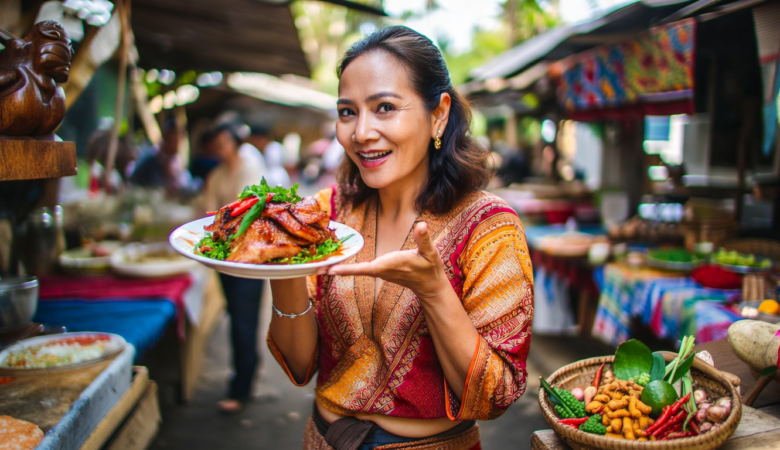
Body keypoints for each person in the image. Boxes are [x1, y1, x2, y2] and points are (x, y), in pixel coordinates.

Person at [267, 26, 534, 450]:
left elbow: (494, 396)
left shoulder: (488, 226)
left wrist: (433, 289)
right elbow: (299, 366)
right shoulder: (326, 215)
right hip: (322, 439)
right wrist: (281, 262)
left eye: (385, 107)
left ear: (439, 113)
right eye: (347, 111)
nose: (361, 132)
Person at [201, 123, 266, 413]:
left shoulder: (250, 166)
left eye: (224, 141)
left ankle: (241, 388)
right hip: (227, 258)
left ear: (235, 142)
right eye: (217, 143)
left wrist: (221, 221)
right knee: (239, 319)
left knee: (243, 321)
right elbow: (210, 210)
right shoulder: (217, 175)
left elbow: (246, 211)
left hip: (249, 258)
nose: (221, 147)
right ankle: (248, 369)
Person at [130, 118, 192, 194]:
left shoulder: (178, 162)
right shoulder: (150, 160)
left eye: (178, 140)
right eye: (173, 139)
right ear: (166, 138)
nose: (176, 144)